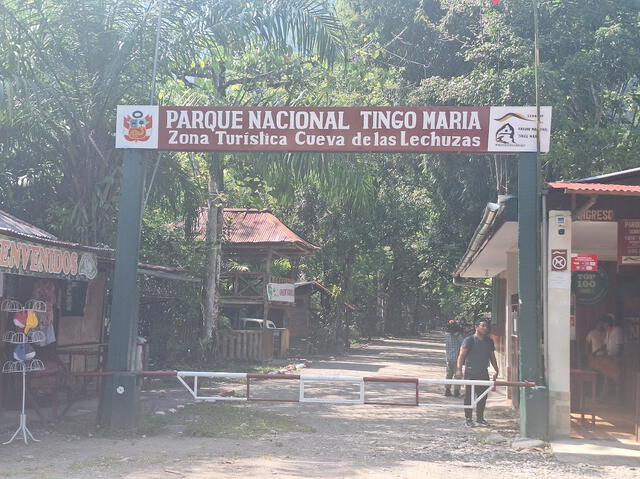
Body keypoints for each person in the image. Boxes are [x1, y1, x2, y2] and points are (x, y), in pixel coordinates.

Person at [455, 318, 499, 427]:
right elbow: (461, 355)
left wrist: (496, 370)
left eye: (486, 326)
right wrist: (459, 370)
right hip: (470, 373)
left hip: (483, 373)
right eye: (483, 326)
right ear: (476, 327)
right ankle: (468, 419)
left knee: (483, 396)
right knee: (469, 396)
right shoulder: (469, 340)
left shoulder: (489, 341)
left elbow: (492, 357)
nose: (485, 328)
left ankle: (480, 418)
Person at [444, 320, 464, 397]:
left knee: (449, 374)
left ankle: (447, 390)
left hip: (449, 358)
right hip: (457, 358)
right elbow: (463, 344)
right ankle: (456, 391)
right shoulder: (458, 336)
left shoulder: (446, 335)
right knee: (457, 375)